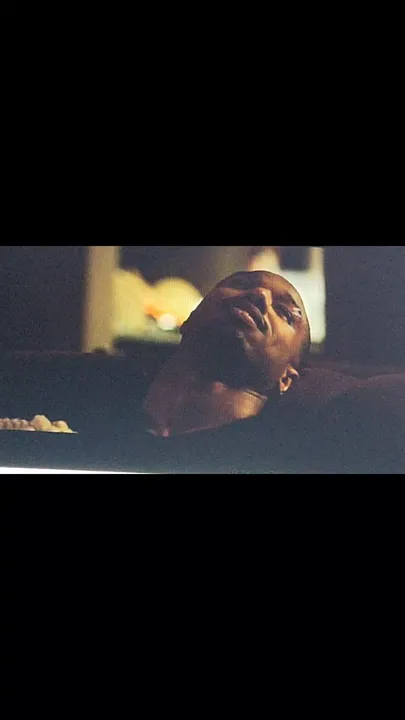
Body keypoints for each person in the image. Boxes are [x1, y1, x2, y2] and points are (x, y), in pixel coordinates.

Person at [143, 270, 311, 439]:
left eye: (284, 312)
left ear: (286, 379)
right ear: (190, 318)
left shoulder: (273, 453)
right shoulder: (124, 395)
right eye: (240, 284)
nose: (259, 293)